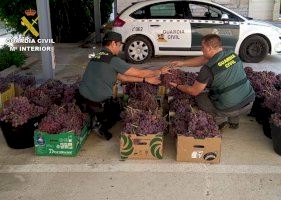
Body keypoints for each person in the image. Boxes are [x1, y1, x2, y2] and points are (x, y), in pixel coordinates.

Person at [79, 31, 170, 140]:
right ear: (113, 43)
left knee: (115, 108)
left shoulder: (97, 56)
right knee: (119, 111)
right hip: (97, 100)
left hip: (83, 97)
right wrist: (160, 71)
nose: (120, 48)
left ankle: (92, 114)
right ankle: (99, 124)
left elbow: (123, 78)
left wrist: (145, 80)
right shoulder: (113, 60)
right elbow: (140, 72)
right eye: (119, 45)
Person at [169, 34, 255, 129]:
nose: (201, 50)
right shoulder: (232, 54)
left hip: (229, 109)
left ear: (209, 48)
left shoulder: (207, 69)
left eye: (203, 47)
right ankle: (234, 121)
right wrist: (182, 63)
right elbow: (204, 59)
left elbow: (194, 91)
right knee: (232, 88)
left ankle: (220, 120)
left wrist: (177, 85)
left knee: (200, 97)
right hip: (249, 102)